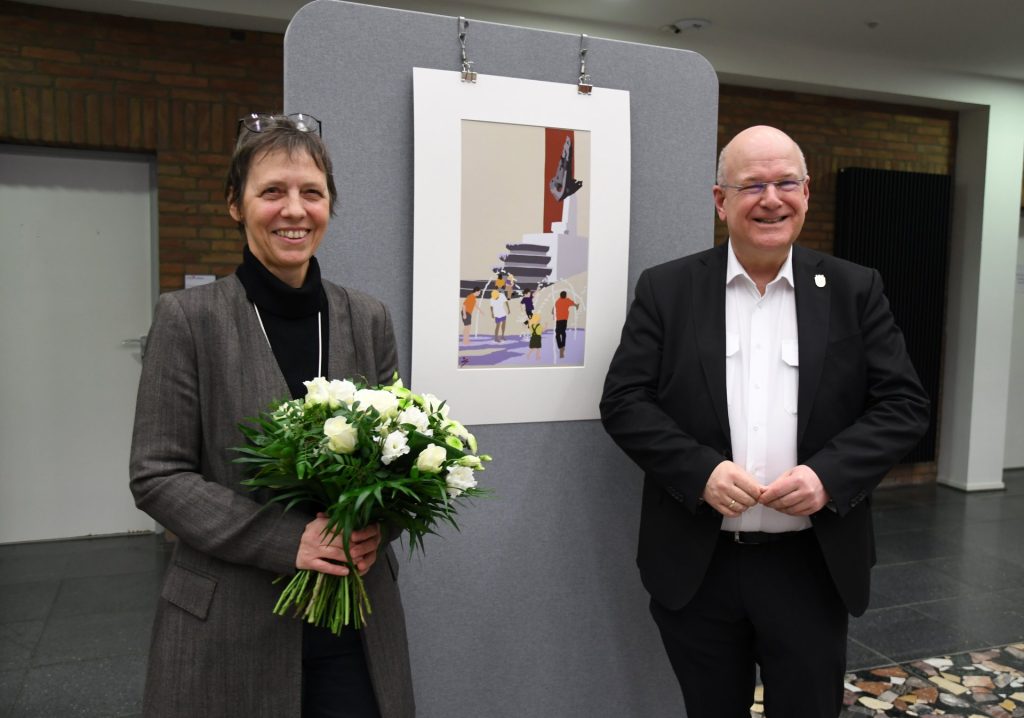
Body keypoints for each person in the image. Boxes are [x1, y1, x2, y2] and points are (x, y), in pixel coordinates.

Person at [600, 125, 929, 718]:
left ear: (806, 193)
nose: (771, 199)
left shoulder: (855, 289)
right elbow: (625, 401)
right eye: (752, 185)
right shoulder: (668, 289)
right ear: (720, 200)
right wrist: (700, 471)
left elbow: (904, 405)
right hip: (699, 566)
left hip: (811, 565)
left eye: (785, 183)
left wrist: (829, 476)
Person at [130, 112, 414, 718]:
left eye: (312, 192)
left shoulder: (368, 319)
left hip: (353, 623)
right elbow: (157, 472)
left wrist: (376, 526)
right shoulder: (189, 320)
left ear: (329, 205)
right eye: (272, 192)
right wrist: (291, 540)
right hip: (227, 623)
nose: (294, 210)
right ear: (236, 204)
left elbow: (401, 459)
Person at [552, 290, 578, 358]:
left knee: (558, 334)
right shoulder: (567, 300)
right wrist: (576, 305)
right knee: (563, 333)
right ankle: (562, 347)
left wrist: (553, 313)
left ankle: (561, 347)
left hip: (559, 320)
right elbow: (574, 304)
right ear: (565, 295)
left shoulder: (557, 301)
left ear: (560, 295)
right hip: (564, 320)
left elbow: (553, 310)